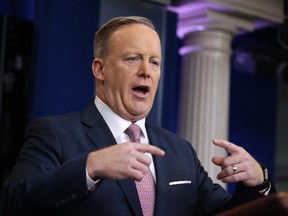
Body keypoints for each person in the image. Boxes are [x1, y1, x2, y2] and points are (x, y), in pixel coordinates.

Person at [0, 16, 274, 216]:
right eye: (133, 58)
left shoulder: (180, 151)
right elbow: (12, 204)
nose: (146, 70)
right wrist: (90, 166)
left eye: (154, 62)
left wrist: (258, 184)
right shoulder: (55, 134)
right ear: (100, 69)